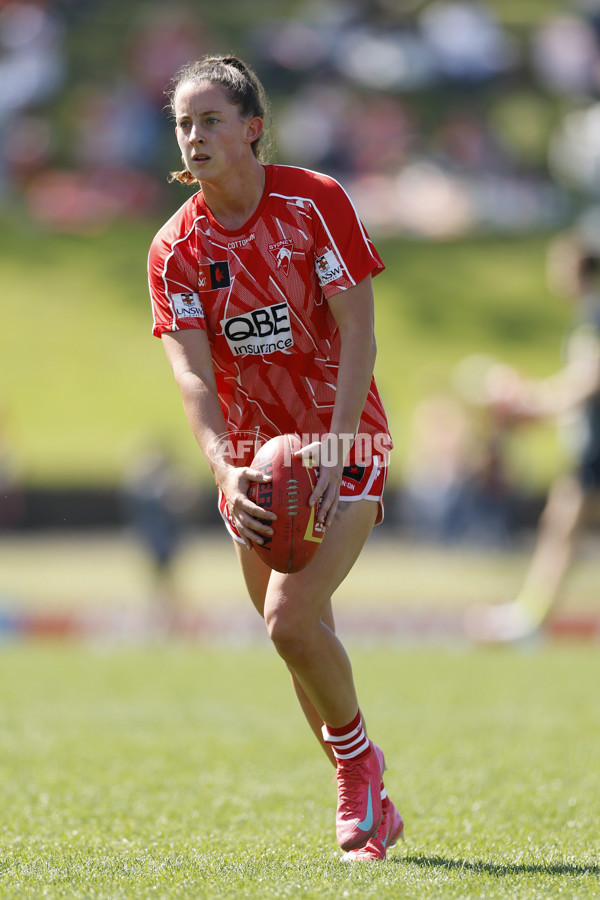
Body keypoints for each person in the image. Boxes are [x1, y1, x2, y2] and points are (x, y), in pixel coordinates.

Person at [147, 55, 403, 860]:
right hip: (255, 462)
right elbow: (191, 373)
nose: (194, 136)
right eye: (184, 123)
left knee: (289, 617)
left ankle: (358, 771)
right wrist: (225, 468)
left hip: (344, 433)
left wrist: (332, 446)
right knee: (294, 636)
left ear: (252, 128)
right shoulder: (172, 250)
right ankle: (370, 795)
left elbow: (358, 329)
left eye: (211, 119)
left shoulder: (315, 203)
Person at [465, 228, 600, 642]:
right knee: (561, 523)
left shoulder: (593, 315)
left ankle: (530, 620)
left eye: (560, 263)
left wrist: (531, 404)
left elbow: (588, 381)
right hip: (589, 451)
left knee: (562, 525)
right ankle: (531, 617)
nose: (554, 272)